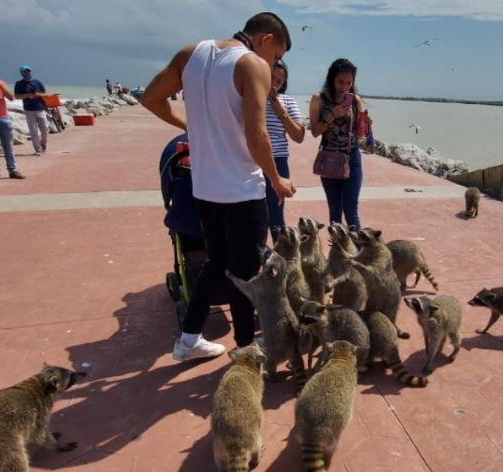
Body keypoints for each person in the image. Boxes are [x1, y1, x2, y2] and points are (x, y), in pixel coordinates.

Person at [142, 12, 296, 361]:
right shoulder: (253, 64)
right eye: (277, 56)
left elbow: (151, 98)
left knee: (216, 262)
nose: (274, 65)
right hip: (241, 189)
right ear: (266, 39)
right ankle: (244, 348)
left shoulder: (190, 54)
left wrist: (190, 127)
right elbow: (257, 136)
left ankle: (189, 339)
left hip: (205, 187)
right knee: (246, 271)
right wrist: (277, 179)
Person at [309, 58, 371, 230]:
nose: (344, 87)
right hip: (330, 158)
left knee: (351, 211)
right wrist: (332, 116)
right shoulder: (318, 99)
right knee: (335, 212)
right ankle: (338, 254)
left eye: (349, 83)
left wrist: (365, 124)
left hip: (352, 157)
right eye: (340, 82)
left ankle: (360, 255)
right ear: (331, 79)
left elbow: (360, 134)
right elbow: (315, 131)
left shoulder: (355, 100)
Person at [264, 60, 304, 243]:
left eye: (279, 81)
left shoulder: (288, 101)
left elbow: (299, 135)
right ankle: (255, 262)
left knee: (275, 214)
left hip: (278, 160)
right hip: (250, 160)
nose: (274, 83)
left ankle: (281, 260)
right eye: (271, 77)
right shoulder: (249, 96)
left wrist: (280, 110)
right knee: (253, 215)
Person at [14, 65, 49, 155]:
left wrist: (39, 95)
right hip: (29, 110)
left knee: (45, 129)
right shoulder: (19, 84)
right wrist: (26, 95)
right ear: (21, 73)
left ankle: (43, 144)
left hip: (40, 108)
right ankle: (38, 149)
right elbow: (16, 96)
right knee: (33, 131)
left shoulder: (37, 82)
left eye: (28, 71)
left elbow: (45, 94)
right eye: (25, 71)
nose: (27, 73)